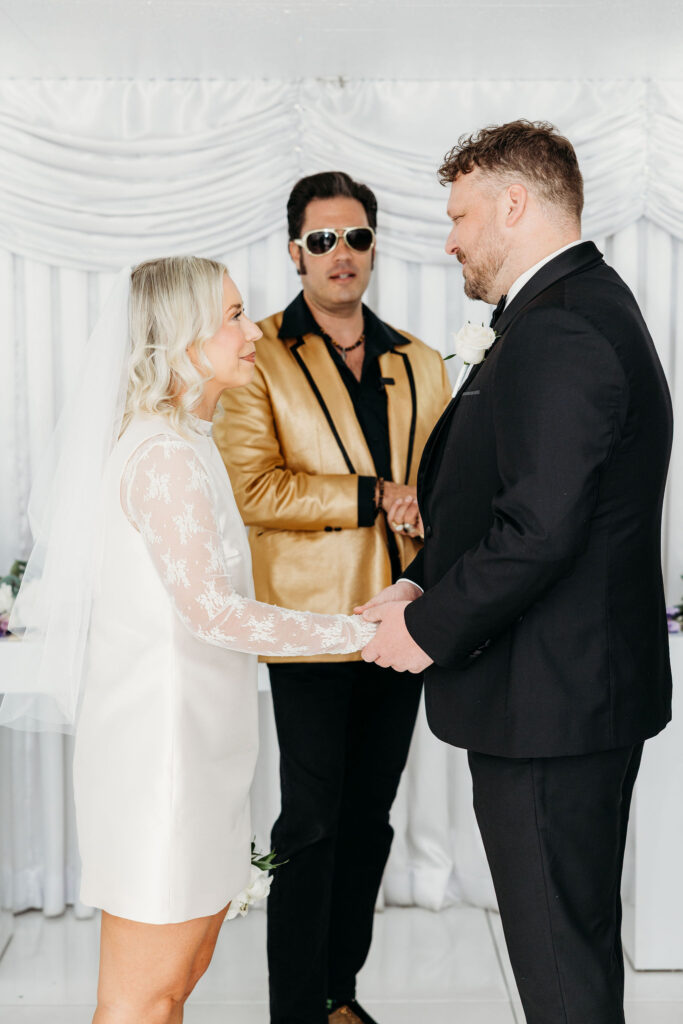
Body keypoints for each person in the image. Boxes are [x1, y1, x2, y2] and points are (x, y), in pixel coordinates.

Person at [1, 256, 376, 1024]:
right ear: (179, 337)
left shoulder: (186, 440)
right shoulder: (165, 456)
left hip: (195, 753)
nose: (253, 331)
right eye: (233, 316)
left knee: (179, 979)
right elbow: (214, 612)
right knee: (145, 996)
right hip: (159, 765)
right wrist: (357, 632)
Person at [358, 121, 673, 1024]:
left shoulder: (564, 325)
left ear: (513, 203)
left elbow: (539, 530)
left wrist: (422, 631)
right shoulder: (572, 308)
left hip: (551, 703)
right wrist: (419, 581)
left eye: (458, 214)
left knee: (559, 967)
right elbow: (517, 501)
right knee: (566, 942)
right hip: (564, 694)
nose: (447, 237)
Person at [215, 171, 451, 1024]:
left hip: (401, 627)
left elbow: (442, 485)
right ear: (294, 252)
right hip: (311, 628)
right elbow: (254, 489)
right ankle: (293, 1011)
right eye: (321, 241)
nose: (339, 254)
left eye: (354, 237)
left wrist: (432, 506)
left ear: (374, 246)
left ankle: (337, 995)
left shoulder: (422, 361)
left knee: (371, 820)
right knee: (310, 822)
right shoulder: (258, 354)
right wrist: (375, 493)